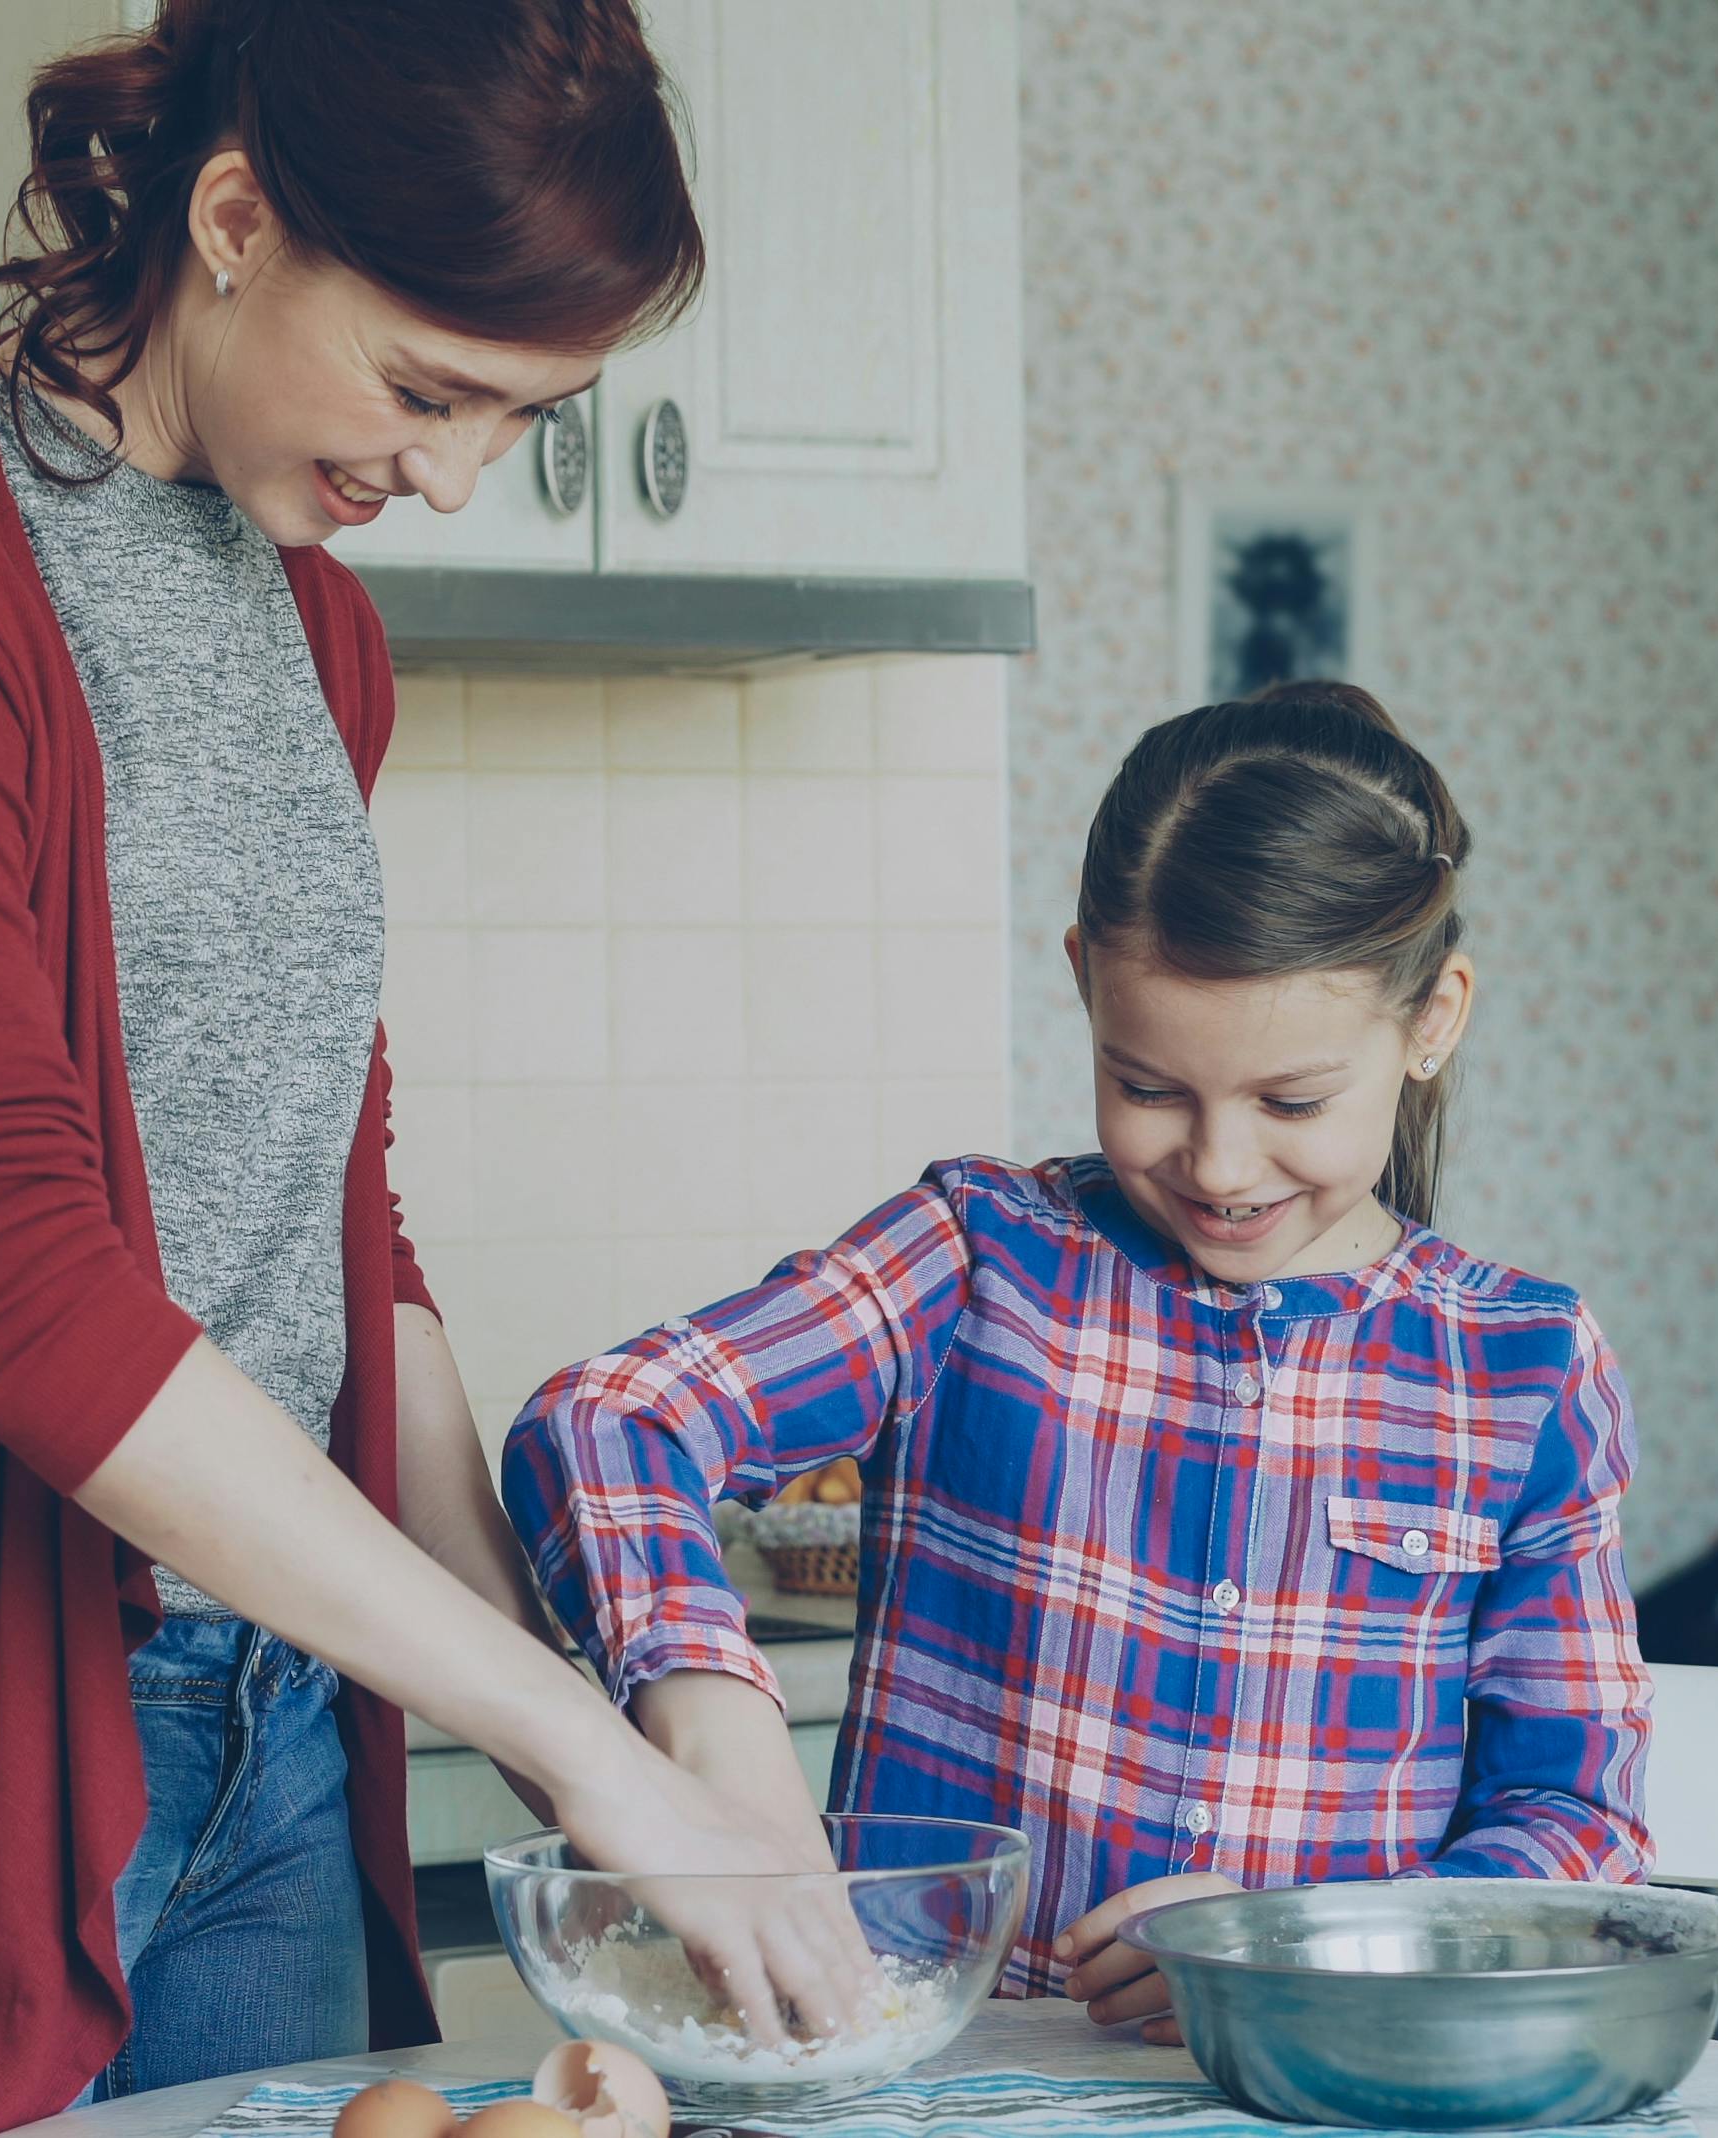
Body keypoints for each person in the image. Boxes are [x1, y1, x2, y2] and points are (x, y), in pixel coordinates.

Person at [0, 4, 839, 2129]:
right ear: (234, 220)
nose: (445, 475)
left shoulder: (313, 624)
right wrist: (587, 1750)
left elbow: (340, 1232)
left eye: (523, 420)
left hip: (272, 1714)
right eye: (427, 388)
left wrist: (635, 1708)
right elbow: (20, 1296)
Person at [503, 682, 1655, 2043]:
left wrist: (1311, 1954)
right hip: (920, 2093)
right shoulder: (975, 1260)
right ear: (1082, 984)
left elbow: (1577, 1824)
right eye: (1149, 1084)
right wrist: (712, 1712)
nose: (1219, 1165)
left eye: (1292, 1101)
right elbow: (608, 1416)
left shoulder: (1522, 1370)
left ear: (1433, 1020)